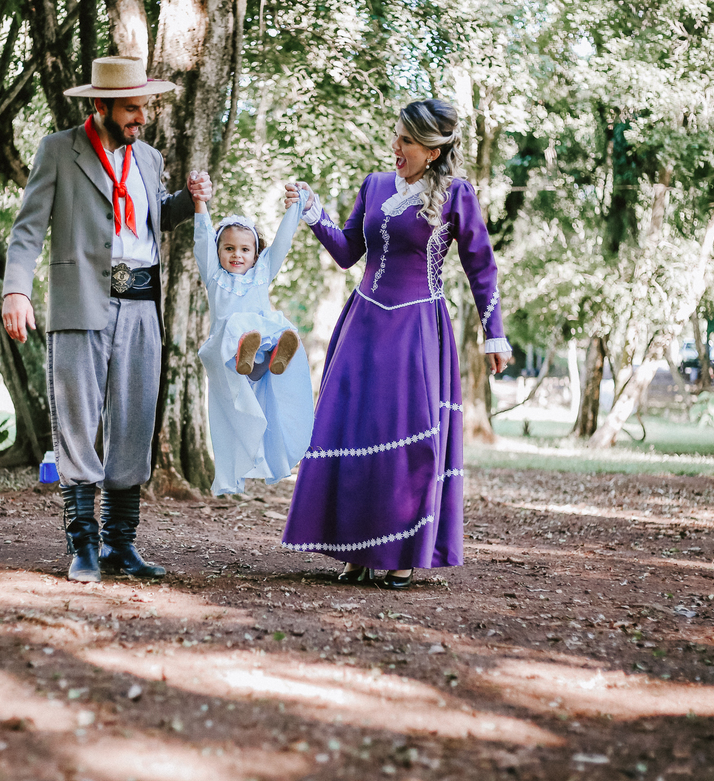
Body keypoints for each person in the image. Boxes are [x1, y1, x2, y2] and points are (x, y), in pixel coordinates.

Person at [280, 99, 511, 590]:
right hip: (363, 325)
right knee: (354, 430)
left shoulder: (455, 194)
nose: (396, 147)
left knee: (407, 439)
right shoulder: (375, 185)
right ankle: (355, 551)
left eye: (406, 140)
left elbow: (481, 267)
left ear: (432, 149)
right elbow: (347, 253)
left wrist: (495, 333)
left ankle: (402, 551)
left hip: (416, 331)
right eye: (397, 137)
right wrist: (313, 211)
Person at [0, 56, 211, 583]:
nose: (141, 118)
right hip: (81, 302)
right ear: (101, 105)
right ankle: (84, 548)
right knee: (77, 421)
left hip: (141, 305)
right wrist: (16, 290)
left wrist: (188, 202)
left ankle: (121, 545)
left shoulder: (149, 158)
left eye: (144, 107)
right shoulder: (58, 150)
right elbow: (28, 228)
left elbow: (150, 216)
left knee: (135, 421)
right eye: (132, 109)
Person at [192, 185, 314, 495]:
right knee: (238, 326)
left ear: (255, 253)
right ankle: (249, 350)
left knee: (271, 324)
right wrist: (199, 202)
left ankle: (275, 354)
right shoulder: (214, 277)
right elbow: (204, 238)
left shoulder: (262, 274)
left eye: (245, 249)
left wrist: (294, 208)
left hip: (256, 361)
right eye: (229, 248)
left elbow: (282, 243)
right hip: (227, 358)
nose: (237, 255)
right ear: (220, 252)